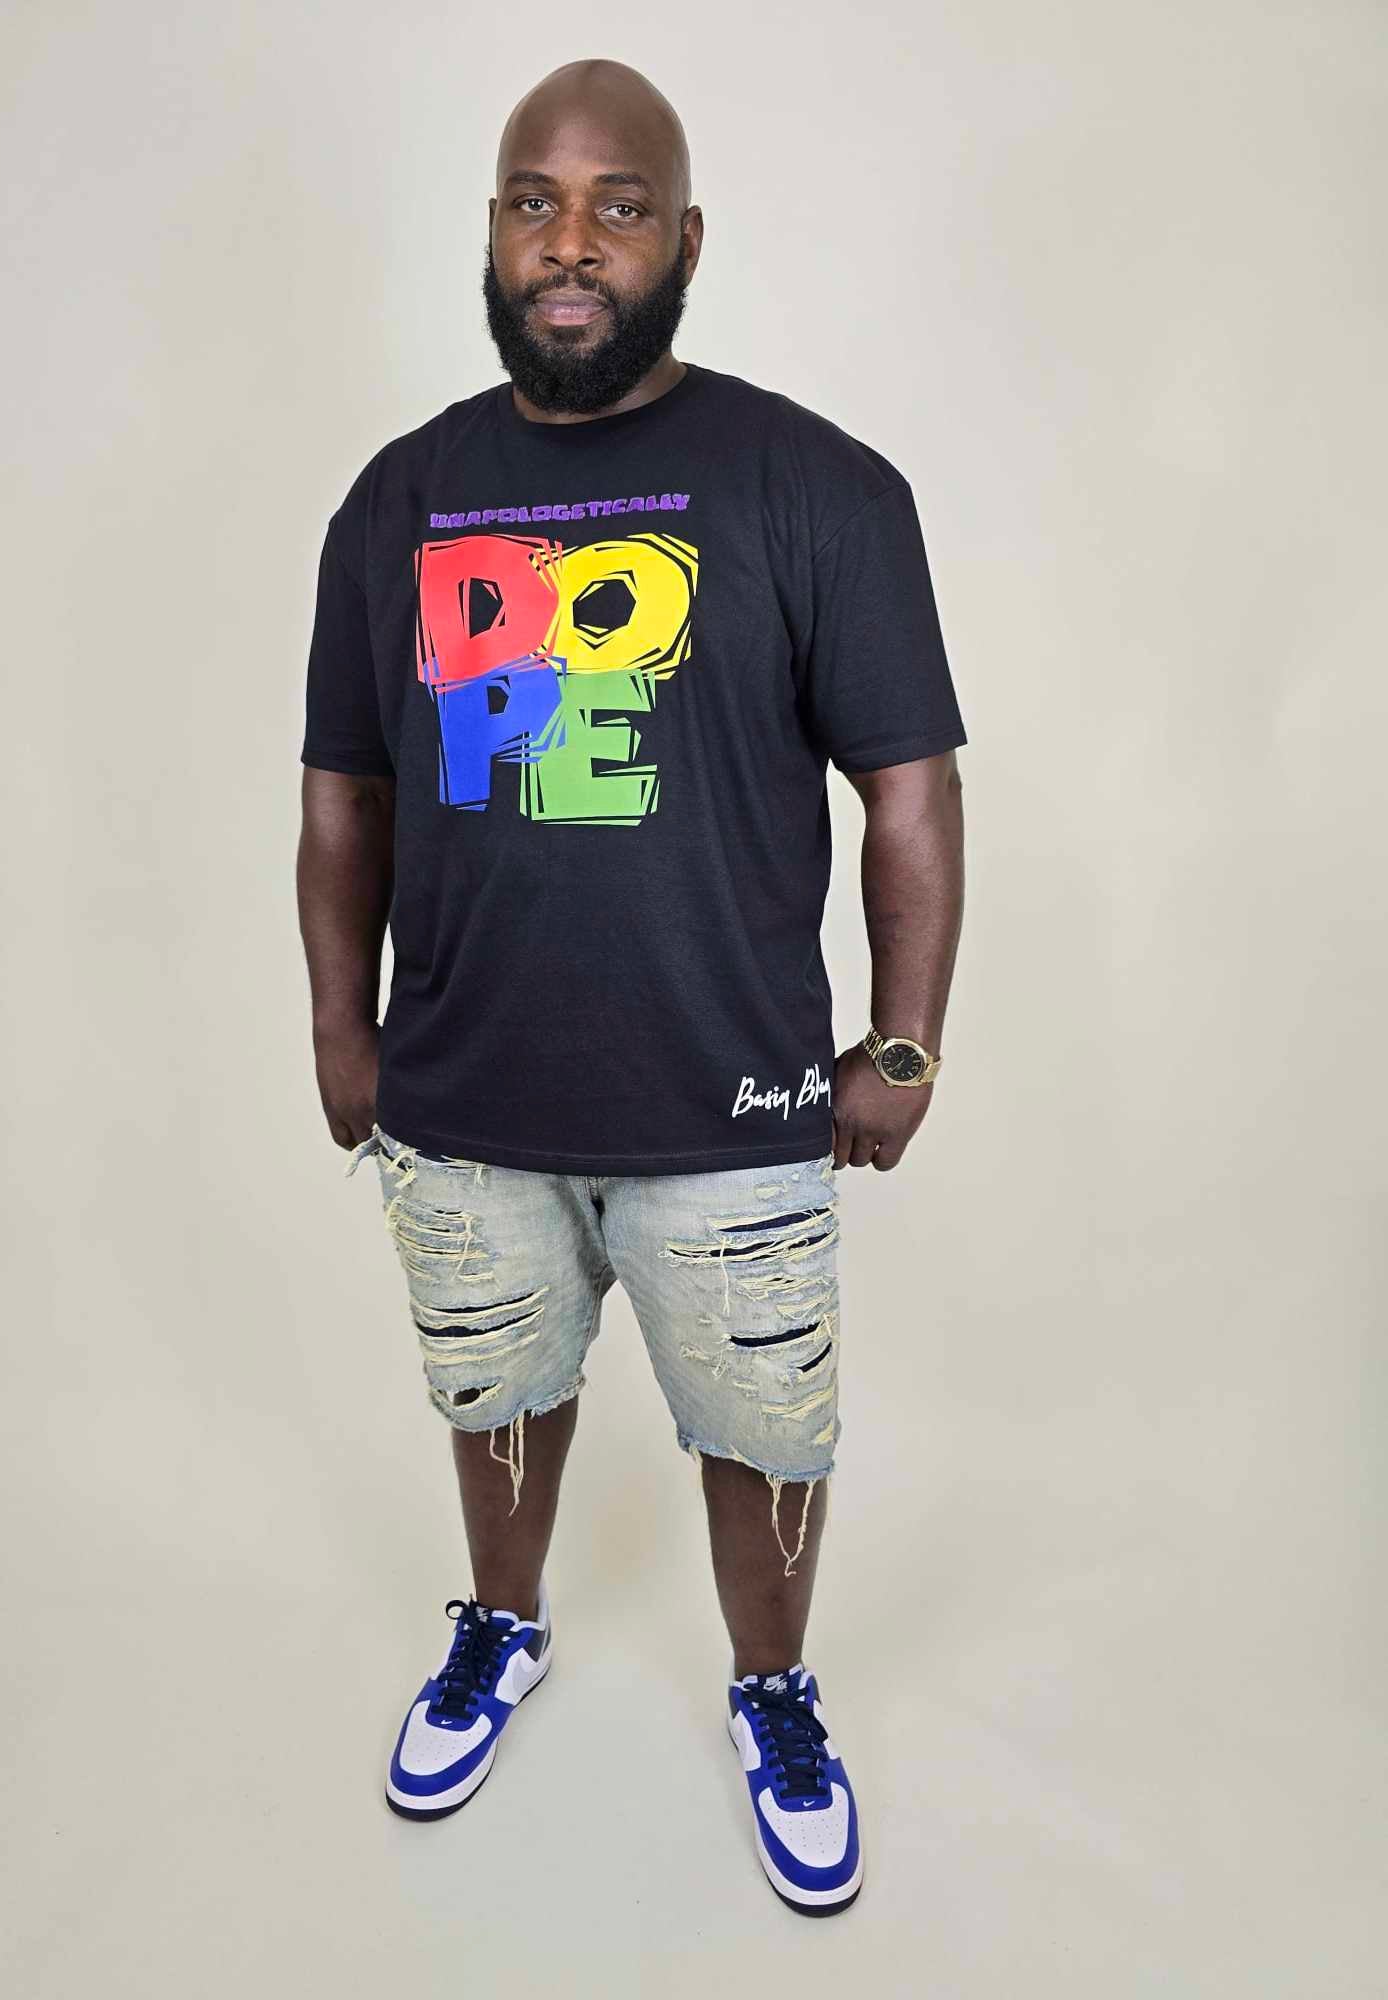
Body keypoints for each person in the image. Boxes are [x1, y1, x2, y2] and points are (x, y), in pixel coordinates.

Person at [296, 56, 966, 1918]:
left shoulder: (817, 487)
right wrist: (342, 1024)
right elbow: (344, 796)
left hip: (728, 1102)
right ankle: (502, 1629)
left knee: (765, 1427)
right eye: (535, 200)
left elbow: (911, 790)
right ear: (492, 231)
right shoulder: (398, 499)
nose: (571, 241)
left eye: (619, 204)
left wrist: (904, 1043)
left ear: (687, 239)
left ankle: (773, 1691)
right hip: (463, 1098)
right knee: (493, 1393)